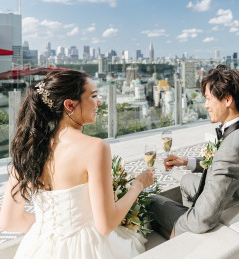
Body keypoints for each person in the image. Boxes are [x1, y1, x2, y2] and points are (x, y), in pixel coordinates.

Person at [0, 70, 155, 258]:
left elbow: (8, 221)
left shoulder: (28, 149)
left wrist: (52, 229)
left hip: (37, 247)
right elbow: (105, 225)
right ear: (70, 105)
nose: (99, 102)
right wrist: (138, 185)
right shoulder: (95, 148)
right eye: (94, 96)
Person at [149, 64, 239, 239]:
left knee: (152, 200)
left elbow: (202, 219)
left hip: (222, 211)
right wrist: (185, 161)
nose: (205, 105)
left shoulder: (231, 148)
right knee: (187, 179)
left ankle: (183, 239)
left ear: (227, 100)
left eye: (209, 99)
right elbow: (222, 164)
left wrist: (179, 228)